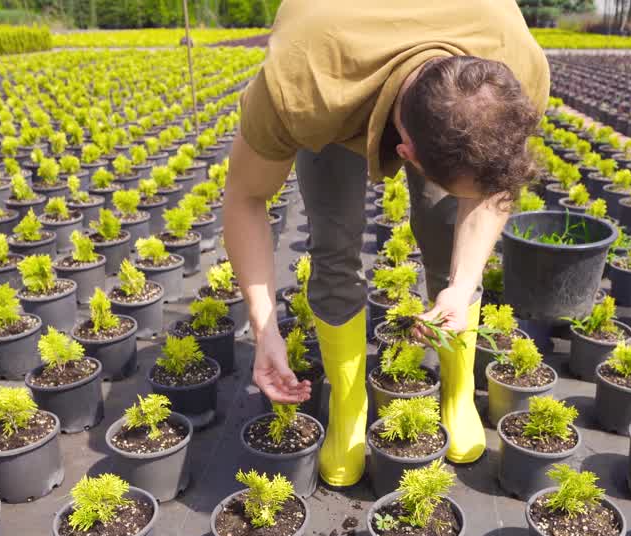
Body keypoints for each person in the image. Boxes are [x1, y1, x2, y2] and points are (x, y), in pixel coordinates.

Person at [224, 0, 550, 488]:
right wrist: (264, 328)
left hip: (448, 62)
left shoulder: (517, 67)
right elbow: (245, 198)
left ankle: (457, 392)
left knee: (445, 229)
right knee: (334, 243)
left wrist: (461, 288)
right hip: (338, 63)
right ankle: (349, 407)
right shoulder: (304, 81)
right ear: (405, 154)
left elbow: (495, 188)